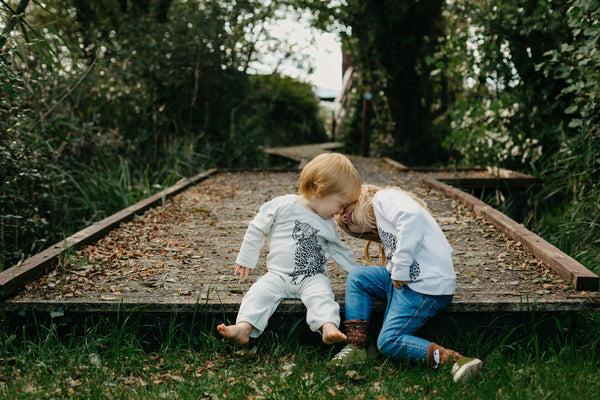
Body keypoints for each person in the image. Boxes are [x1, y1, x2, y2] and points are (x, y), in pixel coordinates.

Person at [329, 184, 483, 383]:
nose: (342, 216)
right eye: (346, 225)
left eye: (345, 209)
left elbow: (411, 217)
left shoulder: (384, 198)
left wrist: (400, 266)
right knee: (359, 277)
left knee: (388, 341)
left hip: (425, 287)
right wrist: (397, 269)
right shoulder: (384, 221)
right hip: (406, 281)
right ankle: (356, 345)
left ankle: (455, 361)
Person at [217, 153, 362, 346]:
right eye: (340, 204)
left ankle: (328, 326)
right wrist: (246, 257)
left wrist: (360, 274)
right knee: (258, 293)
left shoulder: (327, 223)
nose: (340, 212)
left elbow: (340, 250)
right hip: (278, 275)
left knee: (323, 296)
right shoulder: (282, 205)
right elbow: (257, 227)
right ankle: (244, 327)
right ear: (321, 191)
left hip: (312, 277)